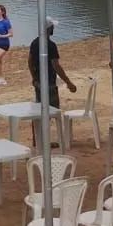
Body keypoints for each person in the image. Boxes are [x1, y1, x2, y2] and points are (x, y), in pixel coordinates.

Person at [28, 17, 77, 145]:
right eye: (52, 26)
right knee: (52, 112)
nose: (54, 28)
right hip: (49, 83)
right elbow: (56, 66)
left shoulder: (34, 43)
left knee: (39, 111)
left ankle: (37, 140)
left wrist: (34, 77)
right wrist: (68, 82)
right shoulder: (51, 45)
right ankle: (45, 142)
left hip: (38, 83)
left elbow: (30, 62)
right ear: (49, 28)